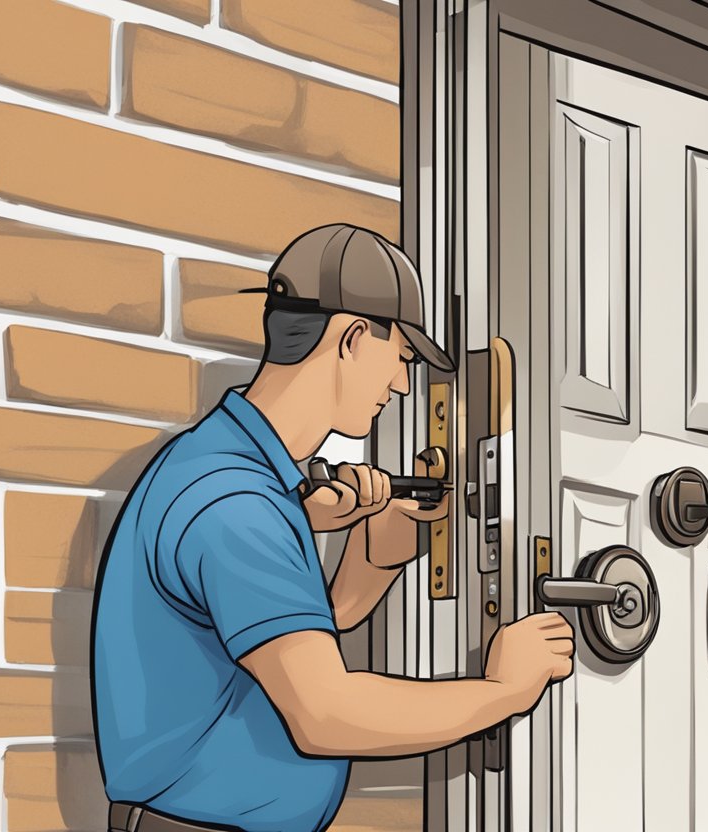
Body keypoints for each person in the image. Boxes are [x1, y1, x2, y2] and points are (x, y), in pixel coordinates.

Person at [91, 224, 574, 832]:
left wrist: (375, 556)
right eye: (399, 358)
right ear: (349, 338)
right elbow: (323, 713)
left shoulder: (236, 467)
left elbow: (297, 641)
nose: (401, 385)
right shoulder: (236, 500)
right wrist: (505, 689)